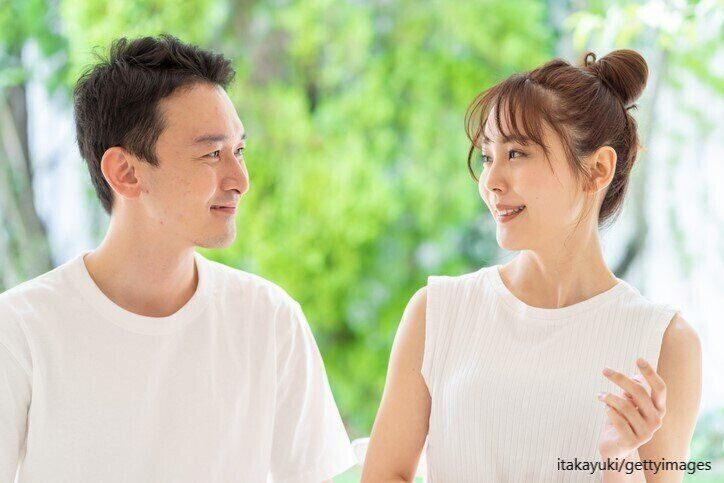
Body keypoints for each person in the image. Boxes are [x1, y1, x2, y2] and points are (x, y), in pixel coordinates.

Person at [0, 34, 356, 483]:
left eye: (239, 151)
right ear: (126, 173)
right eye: (212, 153)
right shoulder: (19, 329)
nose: (240, 179)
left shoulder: (269, 319)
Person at [361, 50, 702, 482]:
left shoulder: (666, 343)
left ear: (597, 170)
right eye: (488, 156)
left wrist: (618, 460)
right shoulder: (437, 311)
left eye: (517, 153)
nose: (491, 181)